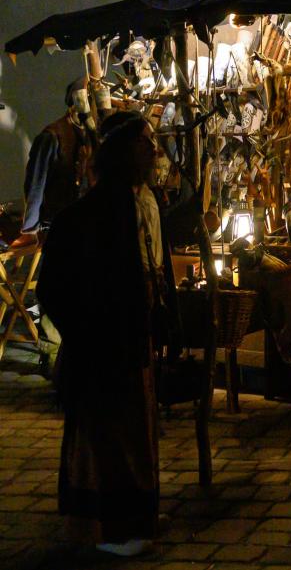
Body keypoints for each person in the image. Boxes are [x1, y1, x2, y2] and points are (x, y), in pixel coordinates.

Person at [36, 110, 170, 557]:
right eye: (145, 142)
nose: (154, 150)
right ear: (123, 151)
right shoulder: (93, 213)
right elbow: (53, 287)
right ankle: (107, 529)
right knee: (107, 440)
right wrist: (88, 333)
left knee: (136, 436)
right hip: (103, 349)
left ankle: (137, 517)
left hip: (130, 342)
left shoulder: (138, 202)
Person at [15, 79, 95, 243]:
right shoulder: (53, 136)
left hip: (86, 219)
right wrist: (30, 228)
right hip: (59, 221)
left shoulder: (91, 135)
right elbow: (36, 182)